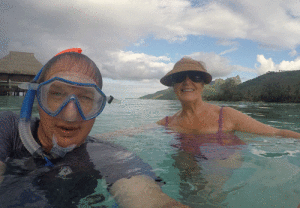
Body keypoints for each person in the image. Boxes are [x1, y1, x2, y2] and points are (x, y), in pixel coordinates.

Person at [0, 49, 189, 208]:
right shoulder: (8, 128)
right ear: (37, 97)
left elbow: (147, 198)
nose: (70, 114)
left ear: (99, 107)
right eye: (57, 93)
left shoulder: (110, 156)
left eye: (86, 98)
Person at [157, 57, 300, 139]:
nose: (187, 82)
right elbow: (137, 132)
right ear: (173, 85)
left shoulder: (225, 116)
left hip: (220, 167)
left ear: (203, 84)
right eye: (179, 77)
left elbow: (277, 132)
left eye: (195, 77)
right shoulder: (167, 122)